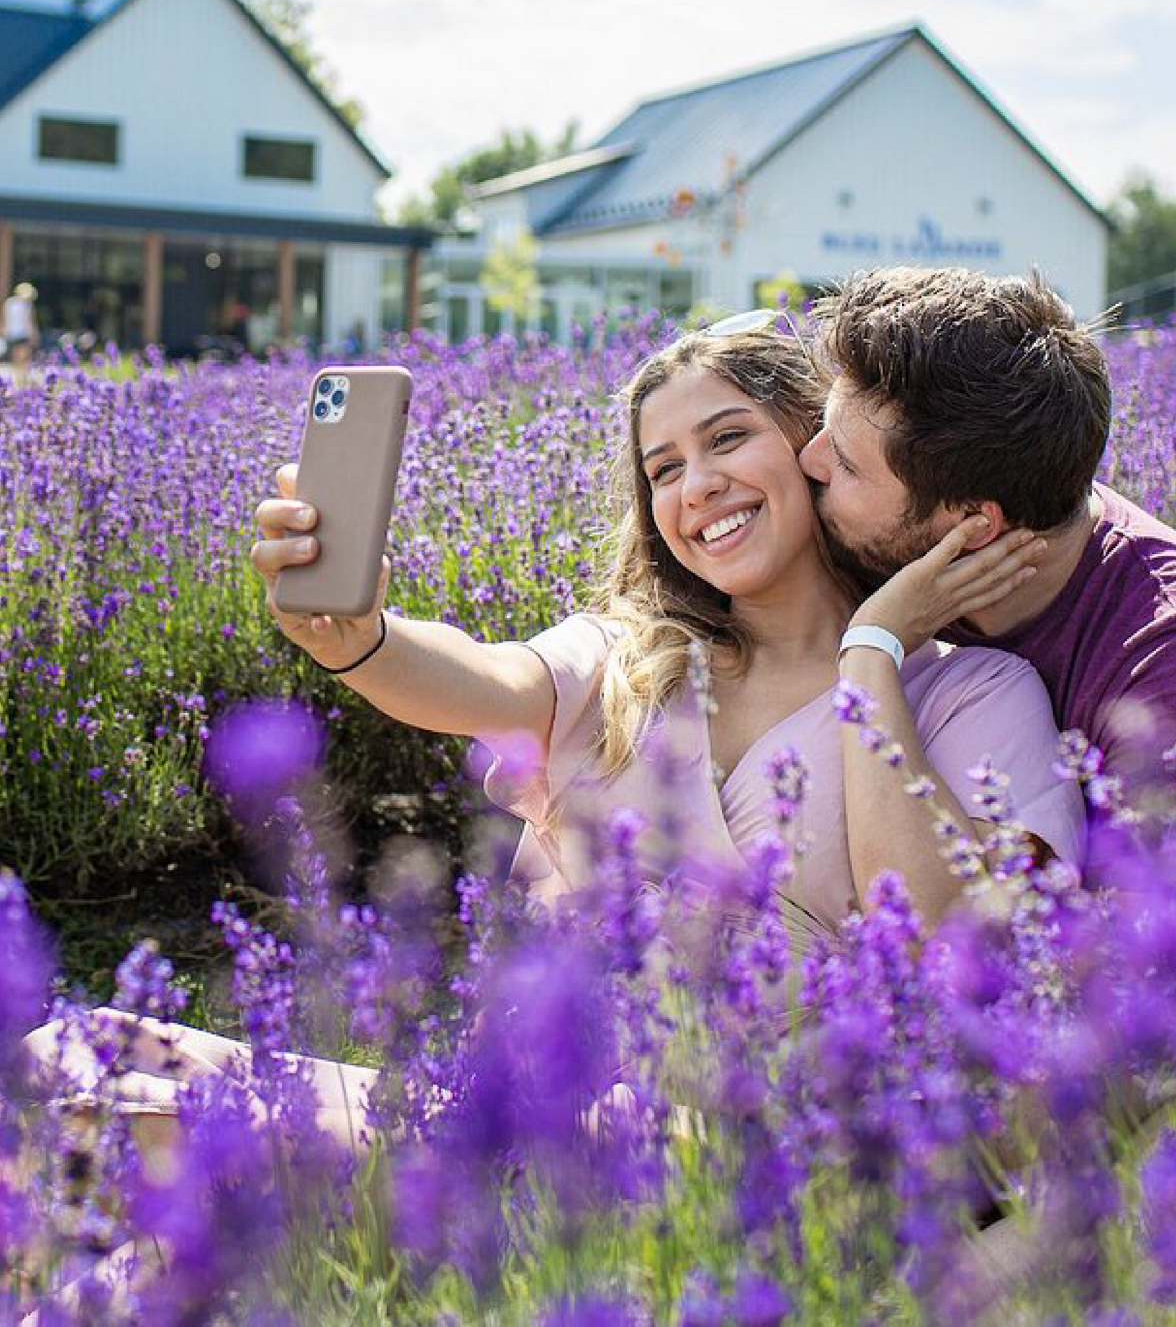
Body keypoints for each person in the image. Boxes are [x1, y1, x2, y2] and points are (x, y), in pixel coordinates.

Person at [22, 320, 1084, 1175]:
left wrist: (871, 653)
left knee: (132, 1129)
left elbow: (947, 941)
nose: (695, 486)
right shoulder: (631, 657)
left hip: (779, 1161)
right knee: (68, 1059)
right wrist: (362, 639)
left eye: (726, 439)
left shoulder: (972, 692)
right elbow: (488, 682)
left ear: (815, 451)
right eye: (662, 468)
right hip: (563, 1123)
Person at [801, 267, 1176, 854]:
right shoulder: (869, 533)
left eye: (847, 464)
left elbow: (1149, 944)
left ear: (973, 526)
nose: (807, 461)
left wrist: (873, 647)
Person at [3, 281, 39, 378]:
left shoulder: (24, 304)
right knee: (18, 354)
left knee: (23, 354)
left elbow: (31, 320)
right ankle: (19, 374)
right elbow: (5, 318)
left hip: (22, 332)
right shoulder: (10, 303)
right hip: (15, 332)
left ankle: (21, 373)